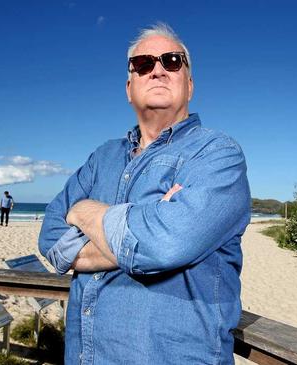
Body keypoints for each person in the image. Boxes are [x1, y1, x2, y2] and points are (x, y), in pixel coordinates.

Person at [38, 23, 250, 364]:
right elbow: (50, 237)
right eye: (143, 64)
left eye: (172, 61)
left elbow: (166, 245)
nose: (158, 71)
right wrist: (146, 226)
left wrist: (83, 211)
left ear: (190, 85)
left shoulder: (217, 153)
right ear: (128, 87)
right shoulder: (101, 158)